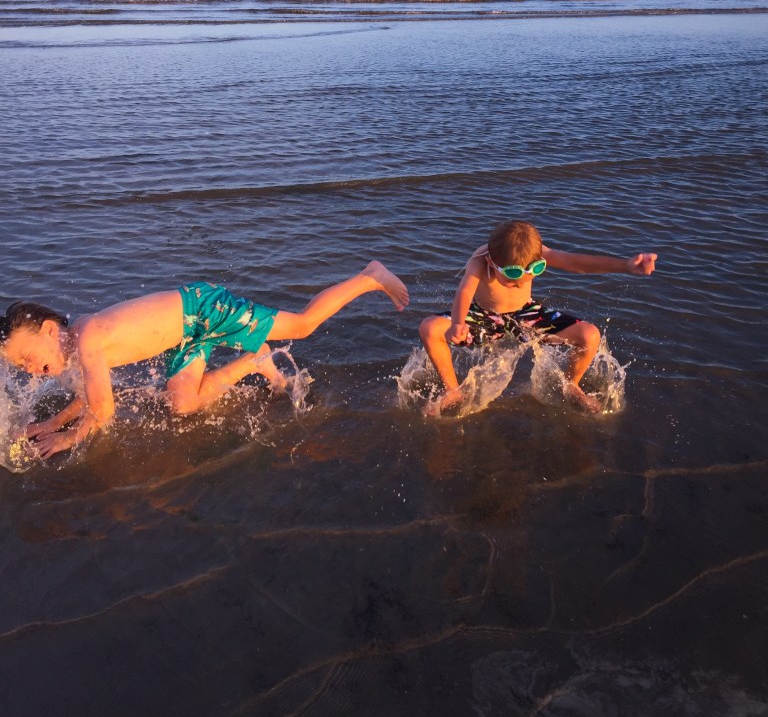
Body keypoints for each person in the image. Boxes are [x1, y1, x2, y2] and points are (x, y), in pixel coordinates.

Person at [0, 261, 409, 459]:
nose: (30, 370)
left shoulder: (87, 337)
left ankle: (369, 277)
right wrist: (53, 423)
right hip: (186, 332)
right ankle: (253, 360)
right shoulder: (75, 350)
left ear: (49, 331)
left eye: (27, 357)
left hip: (205, 309)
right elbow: (92, 395)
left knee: (301, 325)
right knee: (183, 405)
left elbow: (103, 410)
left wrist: (69, 438)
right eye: (21, 367)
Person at [419, 220, 656, 416]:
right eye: (511, 278)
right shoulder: (480, 261)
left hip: (526, 314)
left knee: (589, 335)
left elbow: (575, 263)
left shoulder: (535, 252)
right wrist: (458, 323)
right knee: (430, 328)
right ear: (492, 262)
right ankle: (452, 390)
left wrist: (625, 265)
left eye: (530, 275)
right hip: (485, 316)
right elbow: (464, 291)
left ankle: (572, 384)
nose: (519, 283)